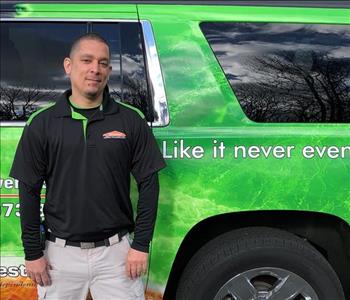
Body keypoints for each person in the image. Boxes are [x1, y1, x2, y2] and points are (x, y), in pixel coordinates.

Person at [9, 33, 166, 300]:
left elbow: (149, 184)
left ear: (109, 71)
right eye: (87, 60)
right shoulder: (42, 123)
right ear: (68, 66)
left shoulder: (130, 120)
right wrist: (33, 252)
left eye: (103, 63)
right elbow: (29, 191)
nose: (95, 69)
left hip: (116, 254)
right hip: (59, 256)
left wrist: (140, 245)